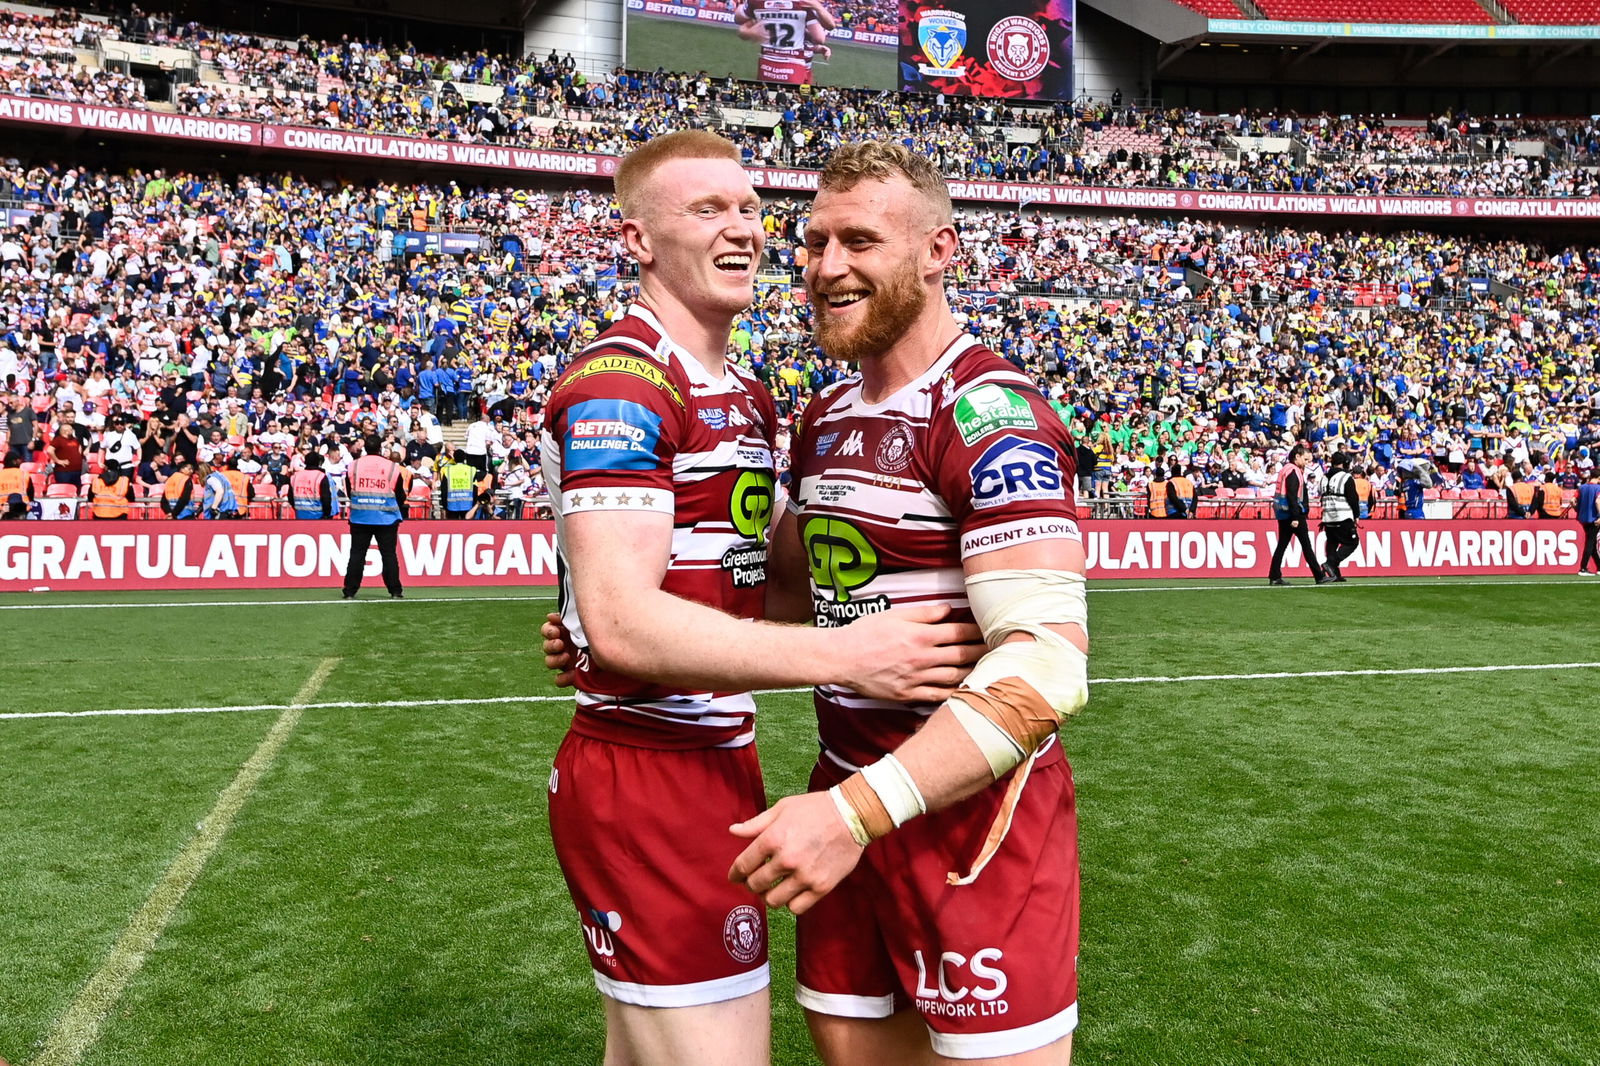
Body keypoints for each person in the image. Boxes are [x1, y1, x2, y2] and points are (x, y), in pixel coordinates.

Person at [538, 131, 979, 1066]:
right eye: (706, 211)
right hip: (645, 769)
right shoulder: (623, 382)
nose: (741, 229)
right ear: (638, 241)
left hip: (712, 762)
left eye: (747, 208)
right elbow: (623, 623)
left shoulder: (744, 392)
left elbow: (766, 588)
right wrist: (855, 655)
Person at [726, 141, 1089, 1064]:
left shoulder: (987, 414)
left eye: (860, 241)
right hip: (842, 796)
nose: (826, 267)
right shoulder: (824, 418)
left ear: (940, 252)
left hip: (969, 823)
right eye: (813, 243)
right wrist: (616, 630)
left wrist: (854, 812)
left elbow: (1045, 665)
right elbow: (787, 591)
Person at [341, 444, 406, 599]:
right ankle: (395, 591)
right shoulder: (391, 466)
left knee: (357, 554)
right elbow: (400, 494)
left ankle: (350, 591)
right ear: (379, 450)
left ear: (365, 448)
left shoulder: (354, 465)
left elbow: (350, 489)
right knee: (389, 555)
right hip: (386, 518)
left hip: (360, 517)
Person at [732, 0, 835, 85]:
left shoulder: (756, 2)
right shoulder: (804, 3)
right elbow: (820, 38)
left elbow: (738, 19)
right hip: (794, 63)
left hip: (767, 62)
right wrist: (818, 6)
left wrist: (748, 28)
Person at [1268, 444, 1329, 586]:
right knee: (1306, 545)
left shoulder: (1286, 469)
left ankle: (1274, 575)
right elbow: (1292, 495)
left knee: (1282, 545)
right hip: (1292, 513)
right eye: (1306, 459)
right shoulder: (1293, 471)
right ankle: (1319, 576)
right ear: (1297, 457)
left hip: (1283, 512)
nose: (1308, 463)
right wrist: (1296, 516)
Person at [1319, 451, 1360, 582]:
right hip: (1343, 516)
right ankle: (1331, 564)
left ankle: (1335, 574)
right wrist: (1356, 515)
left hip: (1327, 517)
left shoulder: (1323, 478)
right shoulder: (1346, 477)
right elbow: (1353, 498)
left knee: (1332, 544)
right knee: (1352, 543)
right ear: (1344, 463)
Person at [289, 450, 338, 519]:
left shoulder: (295, 476)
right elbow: (326, 498)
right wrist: (327, 514)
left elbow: (290, 497)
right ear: (318, 462)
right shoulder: (321, 476)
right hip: (318, 516)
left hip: (300, 515)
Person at [438, 447, 476, 519]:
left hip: (452, 505)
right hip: (467, 504)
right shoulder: (472, 470)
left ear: (454, 458)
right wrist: (474, 503)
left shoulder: (447, 470)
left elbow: (444, 488)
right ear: (465, 458)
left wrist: (444, 504)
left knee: (453, 528)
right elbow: (475, 488)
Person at [1577, 468, 1600, 576]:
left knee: (1592, 542)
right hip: (1594, 519)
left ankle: (1599, 567)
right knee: (1590, 543)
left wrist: (1579, 511)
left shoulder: (1582, 487)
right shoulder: (1598, 488)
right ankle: (1583, 568)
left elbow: (1573, 501)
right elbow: (1597, 501)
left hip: (1583, 519)